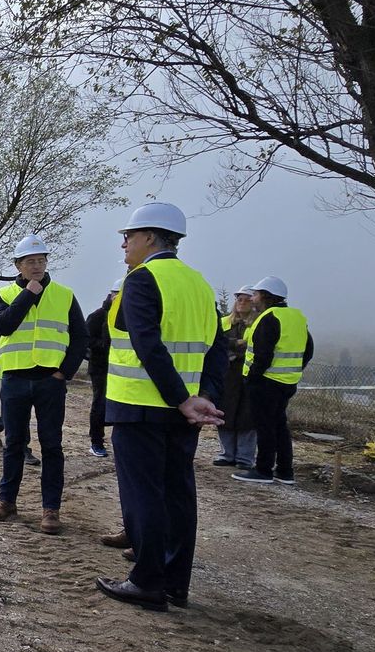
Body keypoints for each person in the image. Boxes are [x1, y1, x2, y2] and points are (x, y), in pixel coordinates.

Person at [95, 202, 226, 612]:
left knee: (144, 495)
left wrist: (182, 399)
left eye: (129, 236)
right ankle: (174, 584)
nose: (124, 244)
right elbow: (217, 349)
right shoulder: (199, 284)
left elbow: (146, 345)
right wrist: (203, 397)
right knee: (178, 495)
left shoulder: (141, 279)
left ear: (150, 237)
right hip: (184, 412)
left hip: (141, 407)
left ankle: (147, 582)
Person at [0, 235, 88, 534]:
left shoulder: (64, 295)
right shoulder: (4, 294)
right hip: (15, 379)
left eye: (41, 260)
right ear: (18, 265)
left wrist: (64, 372)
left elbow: (80, 337)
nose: (37, 266)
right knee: (14, 443)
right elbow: (4, 326)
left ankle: (51, 510)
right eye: (31, 261)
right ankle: (7, 502)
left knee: (52, 445)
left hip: (49, 381)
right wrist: (28, 294)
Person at [232, 276, 313, 485]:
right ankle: (285, 471)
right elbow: (309, 350)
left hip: (265, 382)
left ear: (266, 296)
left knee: (264, 426)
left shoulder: (269, 318)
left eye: (256, 294)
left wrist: (252, 378)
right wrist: (294, 370)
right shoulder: (296, 317)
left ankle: (263, 470)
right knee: (279, 425)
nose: (253, 298)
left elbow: (263, 355)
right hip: (287, 382)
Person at [212, 285, 259, 468]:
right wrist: (235, 344)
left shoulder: (259, 323)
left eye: (247, 300)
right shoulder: (224, 322)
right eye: (239, 299)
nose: (242, 303)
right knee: (225, 414)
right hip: (227, 375)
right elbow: (216, 342)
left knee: (247, 417)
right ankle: (227, 454)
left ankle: (245, 458)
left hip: (249, 376)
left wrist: (234, 346)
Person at [0, 324, 40, 467]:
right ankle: (23, 449)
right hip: (10, 372)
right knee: (21, 413)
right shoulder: (2, 317)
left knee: (15, 414)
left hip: (32, 371)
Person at [86, 279, 122, 457]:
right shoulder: (98, 316)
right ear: (112, 295)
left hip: (124, 369)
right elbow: (86, 340)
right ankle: (96, 442)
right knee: (100, 404)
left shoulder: (130, 316)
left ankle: (121, 443)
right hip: (101, 368)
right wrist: (104, 345)